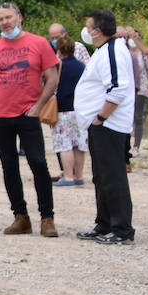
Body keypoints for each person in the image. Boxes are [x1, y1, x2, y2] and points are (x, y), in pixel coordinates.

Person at [0, 2, 60, 237]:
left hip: (27, 113)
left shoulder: (38, 43)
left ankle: (47, 217)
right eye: (1, 19)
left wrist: (39, 105)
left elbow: (52, 77)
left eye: (9, 17)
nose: (5, 22)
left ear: (19, 17)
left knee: (38, 163)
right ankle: (20, 217)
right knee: (9, 166)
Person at [75, 11, 137, 244]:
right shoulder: (103, 50)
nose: (86, 30)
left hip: (109, 124)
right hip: (100, 124)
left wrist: (100, 117)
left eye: (88, 26)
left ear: (97, 30)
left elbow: (118, 88)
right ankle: (104, 224)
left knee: (113, 176)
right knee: (101, 177)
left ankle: (122, 229)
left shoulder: (113, 50)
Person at [51, 34, 88, 187]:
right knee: (79, 145)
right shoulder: (82, 66)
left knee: (65, 144)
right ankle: (79, 175)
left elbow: (51, 85)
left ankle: (68, 176)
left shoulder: (58, 66)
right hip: (80, 109)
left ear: (58, 49)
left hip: (63, 108)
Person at [123, 27, 148, 158]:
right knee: (126, 118)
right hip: (127, 89)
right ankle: (126, 145)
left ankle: (136, 146)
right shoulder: (124, 52)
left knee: (138, 117)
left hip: (141, 89)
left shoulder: (143, 54)